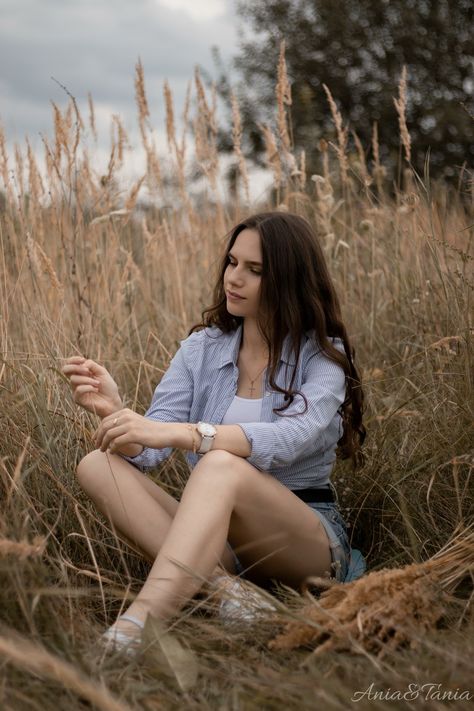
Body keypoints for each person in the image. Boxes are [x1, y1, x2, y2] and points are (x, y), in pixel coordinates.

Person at [62, 211, 366, 652]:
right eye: (232, 262)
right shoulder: (201, 349)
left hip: (303, 540)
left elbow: (289, 438)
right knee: (97, 465)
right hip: (214, 537)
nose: (234, 278)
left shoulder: (321, 356)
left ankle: (134, 628)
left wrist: (188, 434)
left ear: (287, 280)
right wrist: (115, 410)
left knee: (221, 464)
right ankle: (228, 591)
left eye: (254, 270)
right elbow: (146, 451)